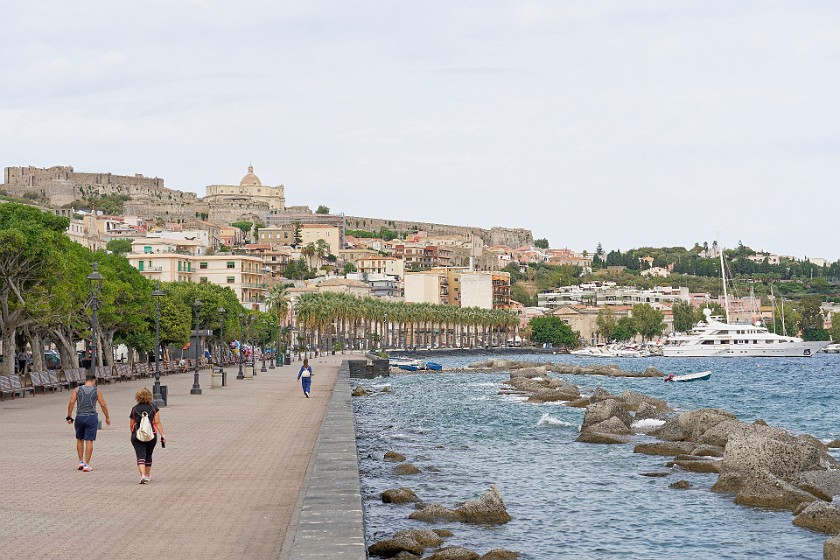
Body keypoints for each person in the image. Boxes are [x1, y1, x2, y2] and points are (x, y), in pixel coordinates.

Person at [66, 372, 111, 472]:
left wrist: (69, 416)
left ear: (85, 381)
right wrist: (107, 417)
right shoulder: (96, 390)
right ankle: (87, 464)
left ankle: (81, 461)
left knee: (79, 439)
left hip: (79, 417)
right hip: (91, 417)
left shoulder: (77, 390)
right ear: (94, 381)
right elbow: (103, 404)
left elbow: (71, 403)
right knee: (89, 440)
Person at [129, 387, 166, 484]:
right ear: (150, 397)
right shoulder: (154, 408)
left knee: (140, 455)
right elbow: (157, 422)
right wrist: (162, 435)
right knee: (148, 455)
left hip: (137, 435)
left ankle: (142, 475)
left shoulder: (134, 409)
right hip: (151, 435)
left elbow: (131, 424)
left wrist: (133, 433)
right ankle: (147, 475)